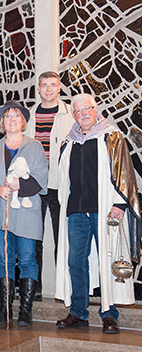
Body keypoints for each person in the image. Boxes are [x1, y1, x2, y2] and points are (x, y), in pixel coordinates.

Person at [55, 93, 141, 334]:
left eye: (87, 109)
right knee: (76, 262)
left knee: (108, 260)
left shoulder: (111, 137)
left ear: (95, 110)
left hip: (104, 210)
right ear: (73, 114)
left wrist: (120, 204)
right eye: (78, 111)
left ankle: (109, 314)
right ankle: (79, 313)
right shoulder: (68, 142)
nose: (83, 114)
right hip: (76, 211)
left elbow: (124, 172)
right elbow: (64, 179)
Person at [0, 101, 48, 326]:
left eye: (16, 116)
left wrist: (19, 184)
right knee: (4, 259)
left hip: (26, 212)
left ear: (23, 121)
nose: (12, 120)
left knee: (27, 258)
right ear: (2, 123)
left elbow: (41, 176)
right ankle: (4, 309)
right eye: (7, 117)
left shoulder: (34, 146)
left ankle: (25, 310)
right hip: (0, 210)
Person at [24, 71, 73, 300]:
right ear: (39, 89)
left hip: (59, 185)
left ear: (59, 88)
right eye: (44, 85)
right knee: (34, 240)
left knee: (61, 238)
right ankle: (34, 289)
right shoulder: (28, 116)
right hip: (33, 185)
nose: (49, 89)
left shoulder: (69, 115)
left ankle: (65, 289)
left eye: (53, 85)